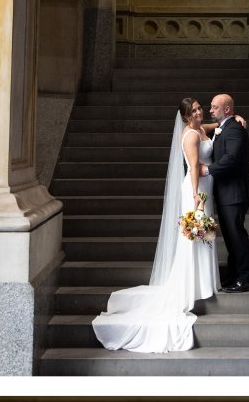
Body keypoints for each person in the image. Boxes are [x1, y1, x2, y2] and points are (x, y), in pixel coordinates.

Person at [91, 94, 240, 353]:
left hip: (205, 187)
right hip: (197, 189)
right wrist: (197, 197)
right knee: (195, 237)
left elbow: (214, 127)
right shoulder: (191, 135)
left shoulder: (198, 129)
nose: (199, 113)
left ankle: (204, 283)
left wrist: (234, 118)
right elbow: (194, 167)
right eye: (193, 111)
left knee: (202, 238)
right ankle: (193, 286)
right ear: (185, 116)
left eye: (199, 108)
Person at [207, 92, 249, 293]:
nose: (210, 110)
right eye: (210, 107)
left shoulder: (235, 129)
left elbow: (232, 158)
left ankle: (246, 279)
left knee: (237, 236)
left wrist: (208, 170)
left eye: (214, 107)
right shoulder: (224, 126)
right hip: (226, 193)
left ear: (227, 109)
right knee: (230, 237)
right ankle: (235, 275)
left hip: (235, 193)